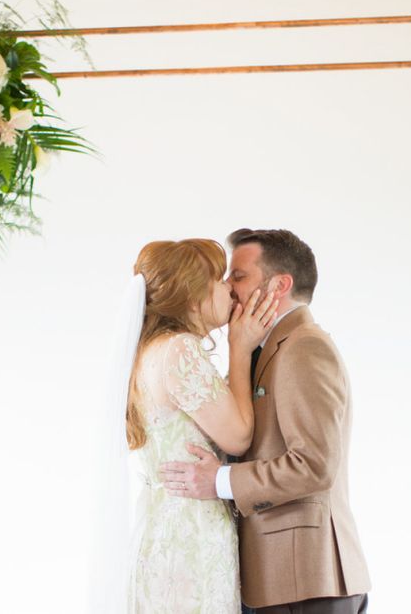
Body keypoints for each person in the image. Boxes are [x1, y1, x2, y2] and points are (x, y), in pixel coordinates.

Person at [160, 229, 371, 613]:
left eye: (238, 276)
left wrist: (219, 481)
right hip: (280, 579)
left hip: (306, 580)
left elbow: (315, 464)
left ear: (280, 285)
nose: (228, 287)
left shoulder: (304, 346)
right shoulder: (266, 346)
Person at [125, 238, 279, 613]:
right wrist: (241, 350)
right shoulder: (179, 350)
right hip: (190, 532)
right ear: (193, 297)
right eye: (217, 278)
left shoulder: (150, 350)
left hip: (162, 522)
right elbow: (239, 435)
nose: (229, 287)